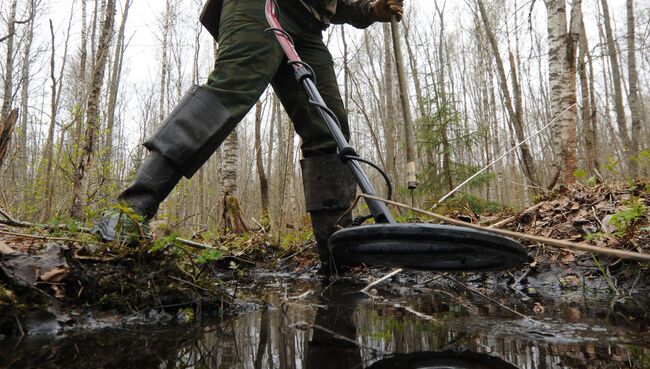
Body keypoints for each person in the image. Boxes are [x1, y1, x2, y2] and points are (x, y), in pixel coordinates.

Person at [92, 0, 404, 274]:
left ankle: (338, 256)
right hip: (261, 6)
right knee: (232, 91)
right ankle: (129, 213)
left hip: (309, 26)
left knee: (329, 127)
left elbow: (338, 5)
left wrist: (371, 10)